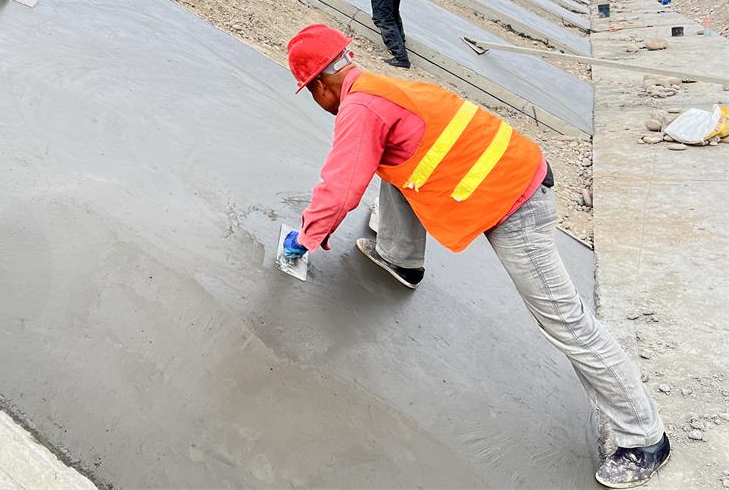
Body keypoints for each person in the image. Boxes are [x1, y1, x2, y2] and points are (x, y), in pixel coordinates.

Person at [281, 24, 671, 489]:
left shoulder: (361, 108)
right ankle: (400, 257)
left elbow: (341, 188)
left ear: (321, 85)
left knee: (566, 322)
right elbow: (388, 161)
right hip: (512, 174)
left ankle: (645, 438)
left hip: (516, 204)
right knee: (392, 160)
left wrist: (306, 237)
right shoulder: (378, 88)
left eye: (312, 92)